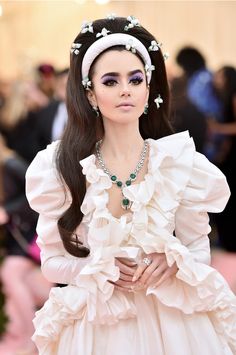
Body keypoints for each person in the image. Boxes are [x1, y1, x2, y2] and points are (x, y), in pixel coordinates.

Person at [25, 16, 236, 355]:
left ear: (148, 88)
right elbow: (52, 262)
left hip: (174, 324)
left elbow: (199, 251)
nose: (126, 89)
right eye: (111, 81)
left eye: (135, 79)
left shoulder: (178, 162)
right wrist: (97, 268)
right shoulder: (61, 169)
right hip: (99, 324)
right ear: (91, 94)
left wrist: (175, 261)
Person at [0, 134, 52, 355]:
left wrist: (8, 211)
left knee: (9, 273)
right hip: (17, 241)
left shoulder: (12, 165)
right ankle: (21, 335)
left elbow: (37, 194)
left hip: (31, 238)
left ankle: (32, 335)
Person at [208, 66, 236, 251]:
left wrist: (216, 128)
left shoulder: (233, 95)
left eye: (219, 75)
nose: (215, 79)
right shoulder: (222, 97)